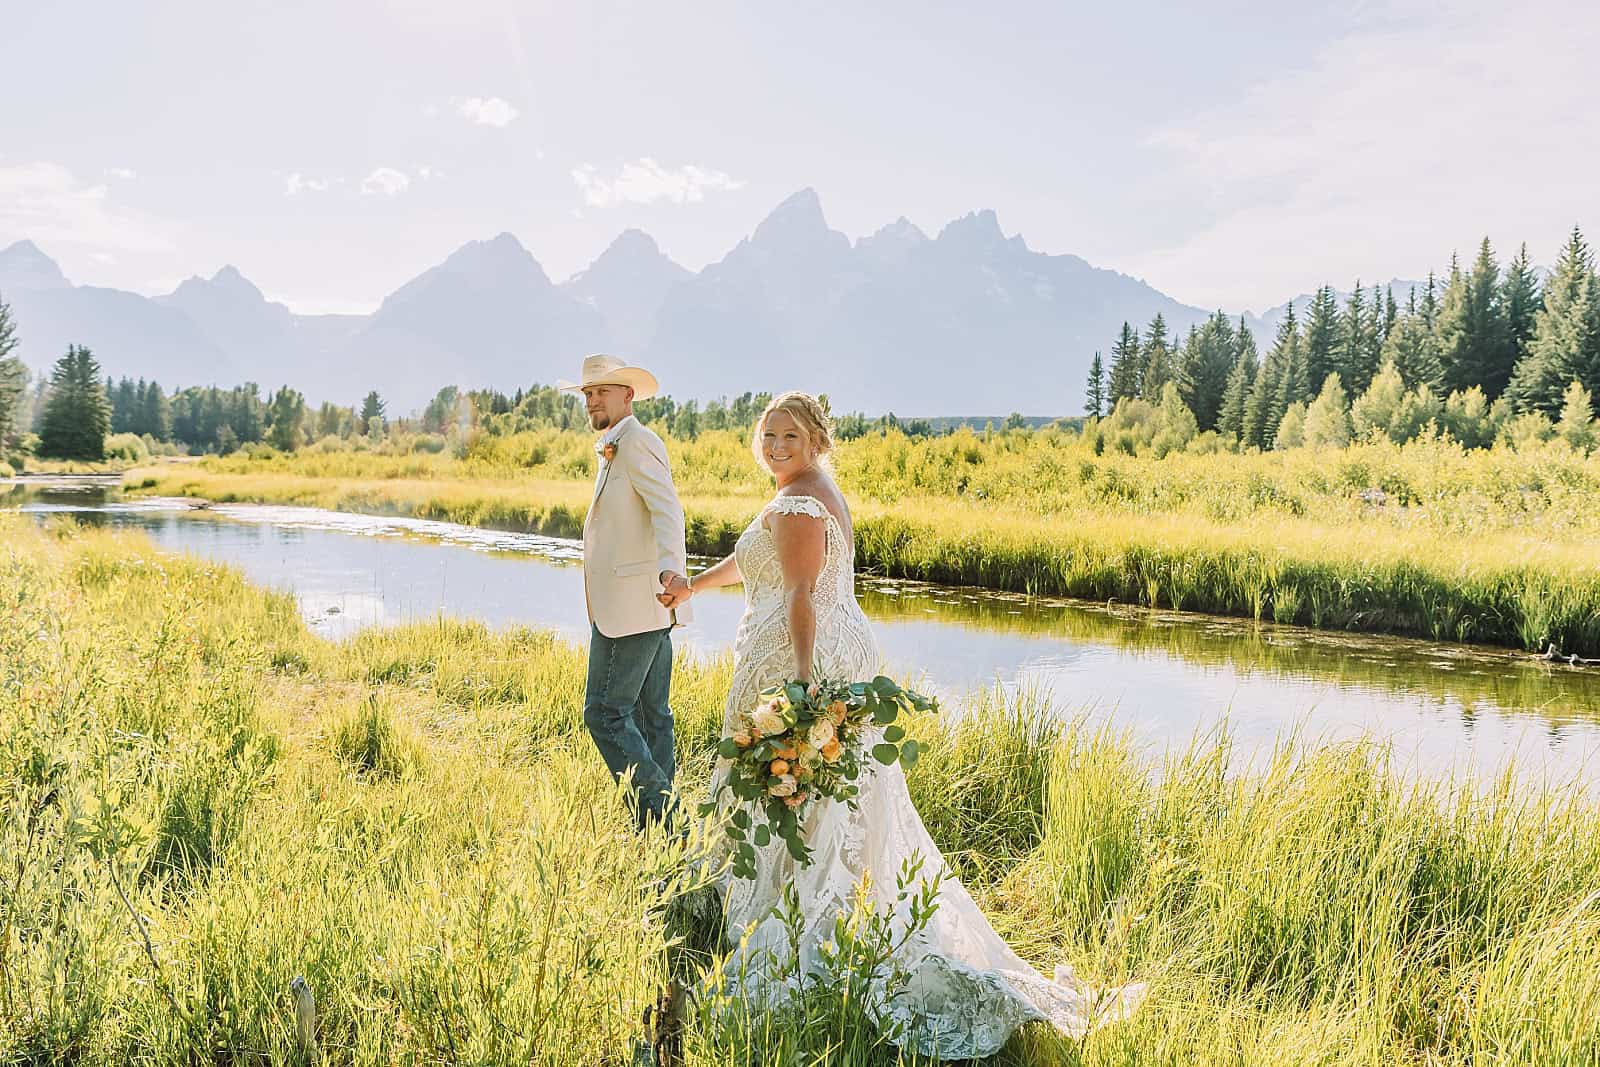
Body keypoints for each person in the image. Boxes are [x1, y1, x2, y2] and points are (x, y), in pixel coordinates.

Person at [677, 391, 1144, 1058]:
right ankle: (828, 910)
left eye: (788, 435)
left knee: (799, 792)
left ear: (814, 440)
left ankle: (807, 930)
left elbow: (803, 595)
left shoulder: (799, 502)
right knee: (829, 796)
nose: (775, 445)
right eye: (767, 434)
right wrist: (692, 586)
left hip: (804, 661)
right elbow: (762, 566)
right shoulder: (809, 491)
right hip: (833, 655)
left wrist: (803, 687)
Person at [560, 353, 692, 830]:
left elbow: (667, 511)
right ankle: (660, 838)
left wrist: (671, 573)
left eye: (602, 391)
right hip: (636, 607)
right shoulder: (615, 445)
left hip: (639, 605)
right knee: (651, 715)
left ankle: (672, 822)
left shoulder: (637, 442)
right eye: (588, 393)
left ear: (628, 396)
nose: (593, 400)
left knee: (605, 714)